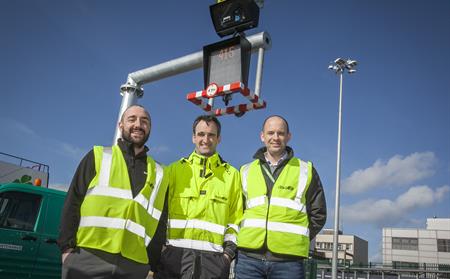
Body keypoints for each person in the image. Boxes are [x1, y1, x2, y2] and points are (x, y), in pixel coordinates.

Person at [57, 105, 169, 279]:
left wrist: (152, 266)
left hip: (135, 266)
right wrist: (67, 249)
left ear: (150, 128)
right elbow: (73, 201)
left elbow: (160, 224)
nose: (138, 124)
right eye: (132, 119)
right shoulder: (98, 156)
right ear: (121, 125)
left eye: (144, 121)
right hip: (87, 257)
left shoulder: (160, 173)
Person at [235, 115, 327, 279]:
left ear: (288, 136)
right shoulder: (245, 171)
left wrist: (298, 238)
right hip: (248, 260)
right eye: (270, 133)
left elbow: (318, 214)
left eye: (280, 133)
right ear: (262, 136)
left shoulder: (305, 170)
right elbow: (236, 211)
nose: (275, 138)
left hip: (289, 262)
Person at [156, 115, 243, 279]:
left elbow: (236, 220)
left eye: (211, 135)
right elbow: (160, 212)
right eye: (201, 134)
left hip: (214, 263)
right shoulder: (173, 170)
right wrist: (162, 249)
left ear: (219, 139)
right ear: (193, 137)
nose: (206, 139)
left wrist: (227, 255)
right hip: (173, 259)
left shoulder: (232, 175)